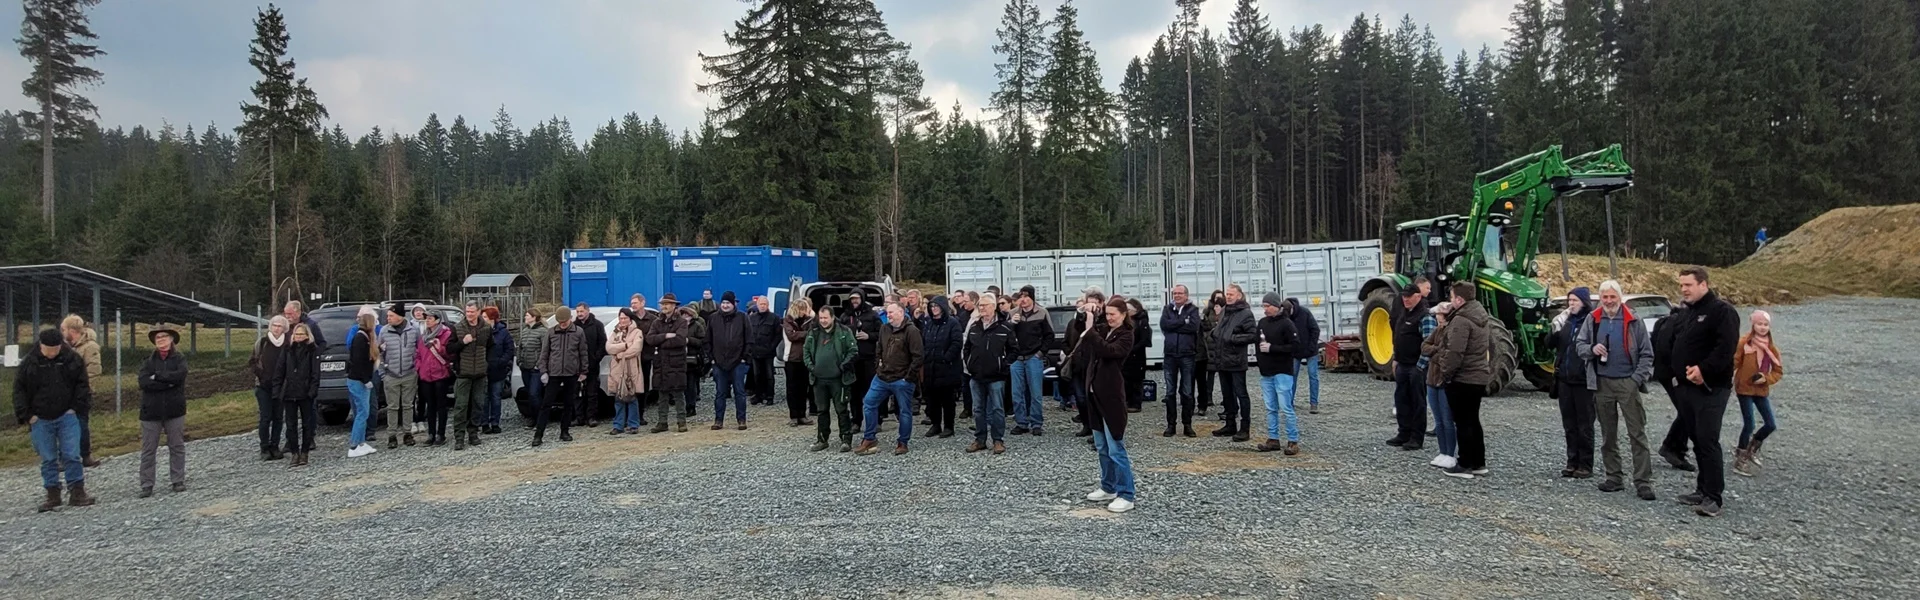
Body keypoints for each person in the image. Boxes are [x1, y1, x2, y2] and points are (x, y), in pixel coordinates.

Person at [1658, 267, 1742, 517]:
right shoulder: (1688, 312)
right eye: (1681, 285)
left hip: (1711, 388)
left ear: (1703, 285)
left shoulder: (1722, 312)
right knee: (1696, 438)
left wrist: (1703, 370)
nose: (1683, 289)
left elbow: (1725, 349)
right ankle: (1702, 489)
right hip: (1685, 387)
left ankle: (1714, 498)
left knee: (1707, 439)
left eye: (1688, 285)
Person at [1577, 281, 1658, 500]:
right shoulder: (1592, 319)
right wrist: (1592, 350)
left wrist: (1635, 380)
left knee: (1637, 434)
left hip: (1627, 383)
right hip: (1602, 383)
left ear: (1620, 297)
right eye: (1605, 297)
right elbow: (1580, 345)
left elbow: (1647, 354)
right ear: (1600, 299)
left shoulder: (1634, 320)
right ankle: (1614, 477)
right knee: (1607, 434)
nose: (1609, 301)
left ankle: (1643, 481)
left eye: (1613, 297)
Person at [16, 329, 95, 511]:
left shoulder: (72, 359)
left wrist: (75, 408)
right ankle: (52, 494)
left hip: (67, 416)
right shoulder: (29, 363)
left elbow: (82, 384)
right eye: (48, 350)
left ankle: (77, 491)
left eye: (55, 349)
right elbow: (19, 390)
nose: (52, 353)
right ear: (41, 346)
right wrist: (27, 416)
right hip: (40, 419)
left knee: (72, 455)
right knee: (48, 458)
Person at [1079, 297, 1139, 514]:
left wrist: (1090, 330)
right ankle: (1108, 486)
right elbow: (1084, 334)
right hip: (1095, 396)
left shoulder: (1126, 335)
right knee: (1102, 446)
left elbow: (1109, 351)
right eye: (1107, 314)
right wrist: (1085, 314)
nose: (1109, 318)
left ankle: (1127, 493)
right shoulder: (1103, 329)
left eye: (1113, 314)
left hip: (1111, 398)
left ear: (1124, 315)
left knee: (1116, 447)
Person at [1432, 282, 1492, 479]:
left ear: (1459, 299)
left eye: (1451, 297)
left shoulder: (1461, 321)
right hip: (1478, 376)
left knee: (1463, 421)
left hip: (1463, 377)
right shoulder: (1481, 316)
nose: (1450, 301)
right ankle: (1478, 462)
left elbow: (1455, 351)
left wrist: (1446, 373)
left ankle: (1465, 463)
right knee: (1473, 420)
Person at [857, 303, 923, 456]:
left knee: (904, 412)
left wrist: (908, 378)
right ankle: (869, 438)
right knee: (868, 403)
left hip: (902, 380)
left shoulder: (912, 331)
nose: (889, 315)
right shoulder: (884, 328)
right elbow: (879, 349)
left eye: (892, 312)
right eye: (887, 312)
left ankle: (903, 442)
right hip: (882, 377)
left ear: (901, 312)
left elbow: (918, 357)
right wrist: (878, 367)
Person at [136, 327, 189, 497]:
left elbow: (180, 376)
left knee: (177, 446)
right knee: (148, 449)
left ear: (172, 339)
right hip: (151, 412)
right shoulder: (147, 361)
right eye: (158, 337)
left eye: (164, 336)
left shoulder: (180, 359)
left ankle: (178, 480)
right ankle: (146, 484)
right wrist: (167, 382)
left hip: (175, 410)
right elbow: (143, 382)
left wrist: (157, 377)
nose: (161, 339)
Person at [1551, 287, 1597, 479]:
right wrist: (1555, 329)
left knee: (1584, 424)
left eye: (1575, 300)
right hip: (1565, 379)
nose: (1571, 304)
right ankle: (1572, 461)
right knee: (1569, 423)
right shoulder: (1567, 321)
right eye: (1569, 300)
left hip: (1583, 380)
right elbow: (1551, 345)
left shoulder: (1592, 321)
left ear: (1584, 302)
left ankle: (1585, 464)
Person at [1732, 310, 1783, 477]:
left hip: (1761, 390)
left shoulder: (1771, 348)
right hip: (1744, 389)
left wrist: (1766, 379)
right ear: (1753, 325)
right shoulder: (1744, 343)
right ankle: (1740, 458)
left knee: (1771, 424)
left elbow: (1778, 371)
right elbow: (1734, 362)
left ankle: (1751, 448)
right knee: (1750, 424)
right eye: (1759, 324)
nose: (1762, 327)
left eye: (1765, 324)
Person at [963, 292, 1015, 454]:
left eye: (985, 305)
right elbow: (967, 348)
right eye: (980, 305)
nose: (982, 308)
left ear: (993, 306)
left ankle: (998, 440)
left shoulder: (1005, 327)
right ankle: (980, 439)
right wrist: (970, 364)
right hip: (976, 376)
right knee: (978, 409)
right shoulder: (974, 326)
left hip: (996, 377)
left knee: (997, 409)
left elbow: (1014, 350)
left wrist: (1004, 365)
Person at [1207, 285, 1260, 442]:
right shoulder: (1225, 312)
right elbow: (1221, 331)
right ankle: (1230, 425)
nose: (1228, 297)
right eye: (1227, 294)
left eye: (1231, 294)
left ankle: (1245, 428)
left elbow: (1252, 335)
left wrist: (1233, 339)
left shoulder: (1246, 314)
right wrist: (1214, 334)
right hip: (1222, 360)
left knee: (1241, 394)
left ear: (1239, 296)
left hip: (1236, 361)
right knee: (1227, 394)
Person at [805, 307, 859, 452]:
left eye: (825, 318)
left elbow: (853, 351)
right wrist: (812, 367)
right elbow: (806, 352)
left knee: (841, 410)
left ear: (832, 317)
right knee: (822, 411)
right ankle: (822, 440)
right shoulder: (813, 332)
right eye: (820, 318)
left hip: (839, 380)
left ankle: (846, 440)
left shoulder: (844, 331)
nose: (822, 321)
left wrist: (842, 366)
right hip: (819, 380)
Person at [1255, 293, 1303, 454]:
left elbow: (1295, 347)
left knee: (1286, 407)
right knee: (1270, 408)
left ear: (1277, 306)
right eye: (1264, 306)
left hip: (1283, 371)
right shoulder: (1262, 323)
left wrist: (1272, 348)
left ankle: (1292, 440)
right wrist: (1261, 362)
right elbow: (1257, 344)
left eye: (1268, 306)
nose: (1265, 309)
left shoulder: (1287, 324)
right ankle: (1273, 438)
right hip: (1267, 372)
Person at [535, 310, 589, 446]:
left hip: (571, 374)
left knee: (568, 404)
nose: (562, 324)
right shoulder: (551, 332)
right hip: (553, 374)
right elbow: (544, 353)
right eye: (560, 322)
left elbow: (583, 353)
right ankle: (538, 434)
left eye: (564, 322)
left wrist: (584, 371)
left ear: (570, 319)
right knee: (546, 404)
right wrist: (543, 371)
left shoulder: (579, 332)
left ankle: (565, 431)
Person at [1006, 285, 1054, 436]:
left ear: (1032, 298)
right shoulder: (1013, 313)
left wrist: (1040, 353)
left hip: (1034, 358)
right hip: (1017, 360)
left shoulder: (1042, 312)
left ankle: (1036, 423)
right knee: (1017, 393)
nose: (1023, 300)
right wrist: (1011, 324)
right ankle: (1021, 423)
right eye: (1020, 297)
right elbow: (1004, 335)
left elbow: (1049, 335)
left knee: (1036, 393)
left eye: (1026, 296)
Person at [445, 303, 492, 450]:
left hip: (480, 374)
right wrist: (462, 342)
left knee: (478, 404)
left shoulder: (486, 328)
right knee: (461, 406)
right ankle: (459, 437)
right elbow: (449, 349)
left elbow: (491, 347)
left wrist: (487, 365)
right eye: (467, 311)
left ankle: (473, 433)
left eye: (472, 312)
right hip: (463, 374)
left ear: (478, 312)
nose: (469, 314)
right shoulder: (457, 328)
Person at [274, 323, 322, 467]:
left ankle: (305, 452)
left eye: (301, 334)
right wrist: (277, 390)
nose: (298, 337)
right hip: (289, 392)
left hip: (305, 392)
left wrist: (312, 391)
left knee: (307, 424)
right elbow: (280, 370)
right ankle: (294, 452)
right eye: (296, 334)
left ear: (307, 336)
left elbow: (315, 373)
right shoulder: (287, 350)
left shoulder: (313, 350)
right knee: (290, 424)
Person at [1388, 285, 1430, 451]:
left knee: (1417, 403)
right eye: (1404, 296)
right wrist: (1395, 359)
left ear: (1418, 296)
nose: (1405, 299)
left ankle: (1416, 437)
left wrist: (1420, 366)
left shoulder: (1424, 316)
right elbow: (1398, 337)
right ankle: (1403, 433)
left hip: (1415, 367)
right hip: (1402, 364)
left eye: (1409, 296)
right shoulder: (1404, 313)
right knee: (1402, 401)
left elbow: (1429, 343)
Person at [59, 315, 102, 467]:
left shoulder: (90, 347)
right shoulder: (66, 347)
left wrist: (84, 389)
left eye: (63, 329)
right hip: (65, 393)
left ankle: (85, 455)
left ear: (72, 330)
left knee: (81, 424)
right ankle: (65, 457)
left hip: (81, 394)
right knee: (64, 425)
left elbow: (93, 370)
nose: (62, 332)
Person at [1158, 285, 1201, 435]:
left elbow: (1194, 327)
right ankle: (1171, 425)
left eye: (1180, 293)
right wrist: (1183, 321)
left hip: (1187, 354)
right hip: (1170, 355)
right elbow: (1164, 325)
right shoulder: (1167, 309)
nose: (1177, 296)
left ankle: (1187, 424)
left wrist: (1174, 325)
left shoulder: (1193, 310)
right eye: (1175, 293)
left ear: (1186, 295)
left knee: (1187, 391)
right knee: (1170, 392)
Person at [920, 296, 965, 439]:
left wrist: (946, 358)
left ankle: (949, 426)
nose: (933, 309)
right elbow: (923, 341)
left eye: (936, 306)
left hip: (947, 367)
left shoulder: (953, 323)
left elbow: (957, 343)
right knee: (932, 399)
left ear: (943, 307)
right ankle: (936, 424)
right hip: (930, 367)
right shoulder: (928, 323)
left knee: (947, 399)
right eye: (931, 306)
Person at [646, 295, 692, 433]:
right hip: (661, 362)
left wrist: (660, 342)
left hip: (676, 362)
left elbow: (680, 340)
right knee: (662, 394)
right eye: (662, 304)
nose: (664, 306)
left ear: (673, 306)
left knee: (678, 394)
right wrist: (666, 336)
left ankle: (681, 422)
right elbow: (650, 339)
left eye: (667, 304)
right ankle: (662, 422)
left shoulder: (681, 322)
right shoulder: (657, 322)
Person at [1420, 303, 1457, 469]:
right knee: (1438, 420)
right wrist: (1436, 350)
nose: (1436, 317)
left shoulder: (1452, 332)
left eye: (1439, 315)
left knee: (1447, 420)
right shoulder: (1438, 330)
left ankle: (1451, 453)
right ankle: (1442, 451)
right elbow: (1424, 346)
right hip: (1432, 380)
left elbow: (1447, 353)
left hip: (1443, 380)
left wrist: (1434, 351)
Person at [379, 306, 422, 449]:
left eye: (391, 315)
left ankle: (407, 433)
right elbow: (378, 353)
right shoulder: (384, 331)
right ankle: (392, 435)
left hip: (409, 374)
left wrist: (416, 369)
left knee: (408, 405)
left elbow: (419, 349)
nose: (388, 318)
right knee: (392, 407)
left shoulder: (413, 330)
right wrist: (383, 374)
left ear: (400, 316)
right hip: (391, 374)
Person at [708, 292, 751, 430]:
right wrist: (711, 358)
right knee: (720, 392)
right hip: (719, 362)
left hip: (738, 362)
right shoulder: (713, 318)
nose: (725, 305)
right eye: (723, 303)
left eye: (728, 303)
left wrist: (744, 357)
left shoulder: (743, 317)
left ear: (734, 304)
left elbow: (749, 339)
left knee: (740, 392)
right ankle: (718, 420)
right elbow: (707, 340)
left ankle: (741, 420)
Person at [250, 315, 291, 460]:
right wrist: (262, 375)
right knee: (265, 417)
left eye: (280, 326)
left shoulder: (288, 344)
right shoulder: (262, 343)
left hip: (280, 388)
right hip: (263, 387)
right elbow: (252, 362)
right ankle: (264, 448)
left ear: (284, 328)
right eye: (274, 325)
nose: (277, 328)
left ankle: (275, 446)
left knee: (278, 418)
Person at [1065, 291, 1103, 437]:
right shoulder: (1077, 322)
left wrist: (1094, 318)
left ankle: (1097, 431)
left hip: (1093, 365)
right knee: (1080, 398)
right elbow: (1073, 334)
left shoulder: (1103, 321)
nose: (1090, 307)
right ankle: (1087, 425)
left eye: (1094, 303)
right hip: (1078, 363)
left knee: (1093, 399)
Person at [842, 292, 881, 430]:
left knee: (872, 391)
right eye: (852, 298)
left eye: (857, 298)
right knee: (854, 392)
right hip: (852, 360)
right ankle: (856, 421)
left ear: (862, 299)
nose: (854, 301)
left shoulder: (872, 315)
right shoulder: (846, 316)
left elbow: (881, 333)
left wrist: (868, 336)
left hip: (868, 358)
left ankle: (876, 421)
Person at [605, 308, 647, 435]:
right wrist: (624, 346)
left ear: (630, 319)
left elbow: (636, 348)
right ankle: (618, 425)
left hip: (631, 369)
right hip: (617, 370)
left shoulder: (637, 332)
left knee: (631, 396)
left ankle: (633, 424)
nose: (622, 321)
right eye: (621, 318)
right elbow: (609, 347)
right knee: (618, 397)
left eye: (625, 318)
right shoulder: (615, 332)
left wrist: (620, 354)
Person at [416, 311, 455, 447]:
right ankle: (431, 433)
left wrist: (440, 349)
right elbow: (418, 354)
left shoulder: (446, 334)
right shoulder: (424, 336)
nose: (428, 320)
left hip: (440, 374)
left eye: (431, 318)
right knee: (430, 405)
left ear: (438, 320)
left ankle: (441, 433)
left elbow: (451, 354)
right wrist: (420, 368)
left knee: (441, 405)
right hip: (426, 375)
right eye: (427, 318)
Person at [344, 310, 380, 458]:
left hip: (360, 379)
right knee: (362, 412)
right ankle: (353, 445)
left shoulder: (364, 337)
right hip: (358, 381)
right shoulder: (360, 339)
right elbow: (358, 362)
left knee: (363, 411)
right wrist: (366, 380)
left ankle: (361, 442)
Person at [781, 298, 817, 427]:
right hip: (791, 358)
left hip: (805, 358)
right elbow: (791, 336)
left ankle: (802, 414)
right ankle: (793, 415)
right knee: (792, 389)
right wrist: (806, 334)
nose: (805, 312)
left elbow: (814, 331)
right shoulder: (788, 320)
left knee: (803, 388)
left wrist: (801, 333)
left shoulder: (808, 320)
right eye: (803, 309)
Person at [627, 294, 661, 428]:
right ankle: (630, 416)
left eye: (635, 302)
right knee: (630, 387)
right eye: (631, 303)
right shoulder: (630, 319)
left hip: (646, 357)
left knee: (643, 387)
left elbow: (655, 337)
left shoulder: (652, 319)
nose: (633, 305)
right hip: (631, 358)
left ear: (642, 303)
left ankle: (640, 414)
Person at [574, 303, 609, 427]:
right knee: (577, 393)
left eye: (582, 311)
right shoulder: (574, 326)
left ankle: (592, 417)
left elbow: (603, 343)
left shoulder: (597, 325)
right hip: (577, 366)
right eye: (577, 311)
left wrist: (596, 358)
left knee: (592, 392)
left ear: (588, 311)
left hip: (592, 365)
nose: (579, 314)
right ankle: (579, 417)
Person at [514, 309, 550, 429]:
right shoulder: (524, 331)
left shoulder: (543, 332)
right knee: (530, 394)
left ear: (534, 317)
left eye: (527, 315)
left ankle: (540, 419)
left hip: (536, 369)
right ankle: (533, 418)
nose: (525, 317)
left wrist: (539, 364)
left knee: (535, 394)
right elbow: (520, 347)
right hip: (525, 367)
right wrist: (519, 360)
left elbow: (545, 350)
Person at [1285, 298, 1322, 414]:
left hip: (1311, 351)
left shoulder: (1305, 313)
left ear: (1292, 308)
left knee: (1313, 376)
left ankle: (1314, 403)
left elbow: (1315, 329)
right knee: (1292, 377)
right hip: (1295, 352)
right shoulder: (1286, 317)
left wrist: (1311, 347)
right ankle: (1289, 403)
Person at [483, 306, 516, 435]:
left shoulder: (503, 332)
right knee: (484, 398)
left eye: (485, 317)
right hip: (483, 369)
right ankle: (484, 422)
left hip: (498, 369)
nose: (482, 319)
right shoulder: (480, 331)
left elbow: (509, 349)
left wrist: (502, 362)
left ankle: (495, 422)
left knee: (496, 397)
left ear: (492, 318)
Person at [747, 296, 782, 407]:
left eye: (764, 304)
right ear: (757, 305)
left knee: (769, 375)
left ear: (768, 305)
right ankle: (758, 395)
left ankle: (769, 396)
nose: (762, 306)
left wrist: (772, 347)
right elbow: (748, 334)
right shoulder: (752, 318)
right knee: (757, 375)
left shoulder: (774, 318)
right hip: (755, 352)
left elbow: (778, 335)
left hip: (768, 352)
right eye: (760, 304)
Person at [1197, 290, 1226, 417]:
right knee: (1209, 374)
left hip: (1221, 346)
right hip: (1209, 345)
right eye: (1216, 298)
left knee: (1224, 375)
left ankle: (1226, 399)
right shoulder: (1207, 311)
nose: (1217, 301)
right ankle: (1208, 397)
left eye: (1220, 298)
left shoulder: (1226, 312)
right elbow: (1204, 327)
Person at [681, 303, 709, 419]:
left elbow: (702, 341)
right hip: (679, 358)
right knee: (682, 384)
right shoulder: (677, 326)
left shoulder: (697, 326)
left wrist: (689, 340)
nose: (685, 317)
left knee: (691, 384)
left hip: (693, 359)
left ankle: (691, 406)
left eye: (687, 315)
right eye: (683, 315)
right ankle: (682, 406)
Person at [1123, 298, 1151, 413]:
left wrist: (1133, 349)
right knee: (1126, 379)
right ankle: (1127, 401)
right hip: (1127, 355)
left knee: (1136, 380)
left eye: (1128, 309)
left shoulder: (1142, 321)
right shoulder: (1127, 321)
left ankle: (1136, 403)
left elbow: (1144, 340)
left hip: (1137, 354)